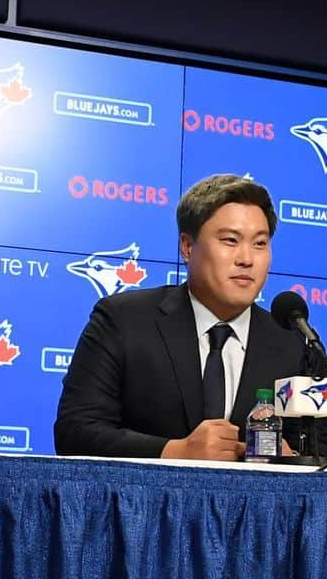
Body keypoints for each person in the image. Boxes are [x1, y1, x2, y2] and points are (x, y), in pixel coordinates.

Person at [54, 173, 312, 461]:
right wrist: (174, 451)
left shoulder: (289, 342)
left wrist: (290, 458)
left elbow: (315, 450)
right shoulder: (123, 321)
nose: (246, 258)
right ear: (188, 247)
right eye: (230, 240)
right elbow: (75, 432)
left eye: (260, 244)